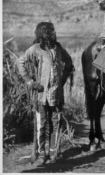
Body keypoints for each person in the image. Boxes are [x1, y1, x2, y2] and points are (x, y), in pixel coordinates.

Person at [17, 22, 74, 164]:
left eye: (53, 31)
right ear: (42, 34)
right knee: (41, 124)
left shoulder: (58, 48)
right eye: (49, 31)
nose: (52, 34)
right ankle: (42, 153)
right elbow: (20, 62)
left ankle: (54, 153)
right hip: (41, 96)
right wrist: (30, 82)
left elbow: (69, 62)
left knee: (56, 123)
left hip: (56, 95)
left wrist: (63, 79)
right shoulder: (36, 49)